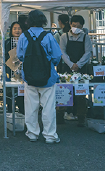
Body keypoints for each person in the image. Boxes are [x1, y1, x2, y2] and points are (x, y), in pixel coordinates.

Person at [17, 10, 63, 143]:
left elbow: (20, 56)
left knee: (31, 107)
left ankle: (32, 133)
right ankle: (50, 135)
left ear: (29, 21)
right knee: (48, 107)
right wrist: (50, 63)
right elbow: (56, 56)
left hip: (29, 77)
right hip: (47, 77)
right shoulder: (48, 36)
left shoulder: (23, 36)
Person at [58, 14, 94, 123]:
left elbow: (88, 52)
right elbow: (62, 52)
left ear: (82, 26)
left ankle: (81, 117)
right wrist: (71, 64)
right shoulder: (64, 36)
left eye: (78, 26)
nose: (76, 28)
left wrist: (78, 64)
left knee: (81, 93)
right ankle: (60, 115)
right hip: (67, 68)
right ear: (70, 24)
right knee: (64, 91)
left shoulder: (85, 37)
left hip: (81, 69)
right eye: (74, 25)